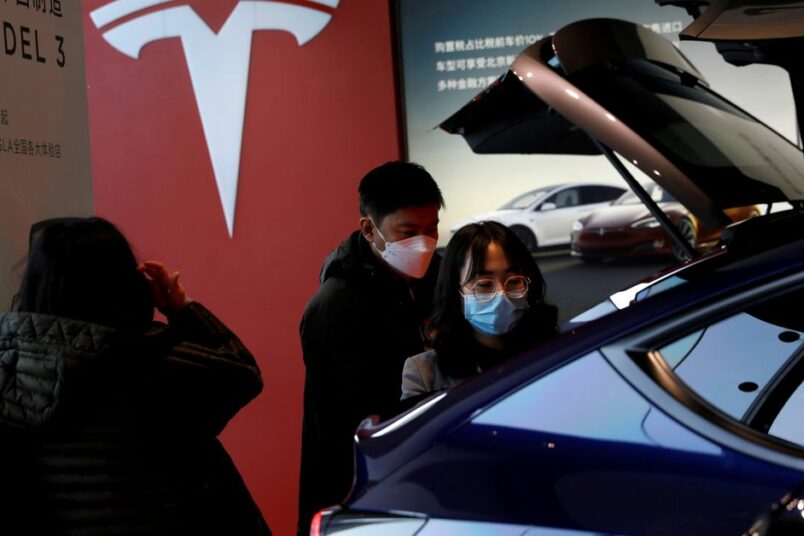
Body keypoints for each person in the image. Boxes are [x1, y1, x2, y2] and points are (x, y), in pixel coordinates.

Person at [0, 217, 267, 535]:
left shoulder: (8, 367)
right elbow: (242, 372)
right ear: (126, 283)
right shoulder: (158, 359)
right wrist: (180, 306)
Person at [298, 161, 444, 533]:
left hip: (429, 469)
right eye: (408, 232)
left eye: (432, 229)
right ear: (369, 229)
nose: (423, 243)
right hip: (366, 483)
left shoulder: (440, 277)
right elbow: (351, 420)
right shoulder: (334, 306)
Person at [401, 221, 558, 400]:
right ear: (455, 291)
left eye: (514, 281)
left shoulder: (555, 347)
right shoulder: (424, 373)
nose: (502, 295)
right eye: (483, 284)